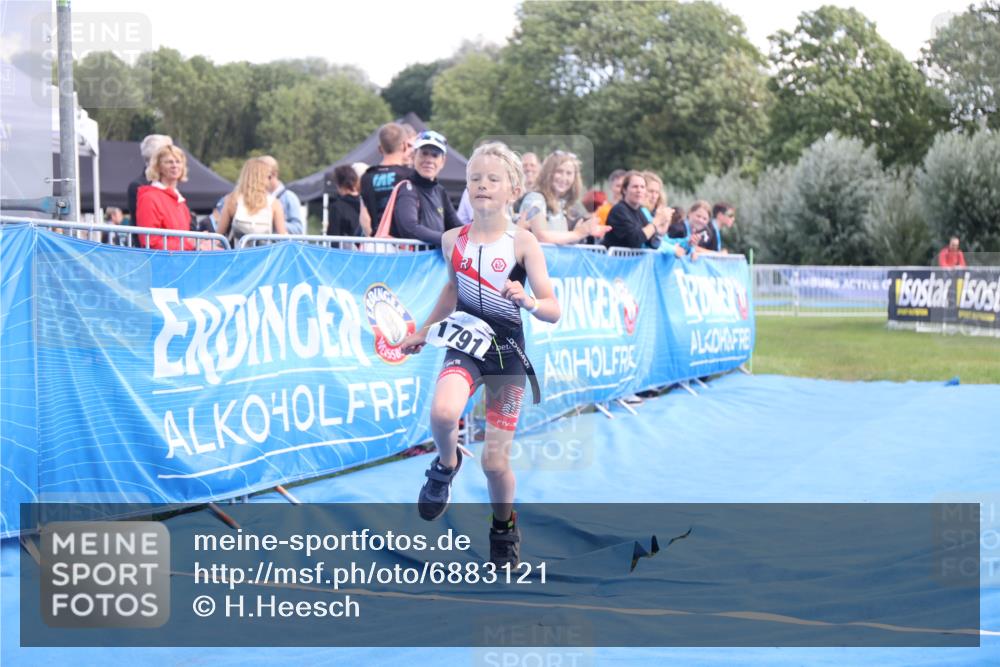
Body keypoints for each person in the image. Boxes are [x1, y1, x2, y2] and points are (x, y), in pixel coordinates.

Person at [399, 141, 560, 567]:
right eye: (474, 179)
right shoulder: (453, 239)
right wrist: (423, 331)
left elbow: (553, 309)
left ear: (513, 189)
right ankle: (446, 465)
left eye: (492, 179)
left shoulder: (524, 243)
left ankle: (504, 527)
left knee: (493, 462)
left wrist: (528, 301)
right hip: (465, 344)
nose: (482, 185)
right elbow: (452, 290)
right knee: (443, 414)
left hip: (507, 356)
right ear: (466, 188)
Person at [389, 130, 462, 245]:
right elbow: (409, 228)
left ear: (442, 161)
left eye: (435, 155)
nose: (429, 160)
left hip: (435, 261)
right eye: (424, 153)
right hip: (412, 261)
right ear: (413, 156)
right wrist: (445, 239)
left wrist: (475, 236)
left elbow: (456, 226)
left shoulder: (440, 191)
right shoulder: (407, 188)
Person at [520, 151, 610, 244]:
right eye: (559, 171)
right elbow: (541, 236)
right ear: (548, 173)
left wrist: (585, 232)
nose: (564, 178)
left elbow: (559, 242)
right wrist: (578, 233)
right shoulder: (535, 198)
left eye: (569, 173)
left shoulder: (561, 205)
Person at [135, 145, 195, 250]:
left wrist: (200, 241)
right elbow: (150, 242)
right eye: (169, 162)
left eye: (178, 161)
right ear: (158, 167)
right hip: (162, 264)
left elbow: (184, 239)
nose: (174, 165)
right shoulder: (149, 198)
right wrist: (192, 244)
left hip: (181, 262)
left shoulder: (181, 202)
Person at [215, 157, 288, 244]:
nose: (270, 180)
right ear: (262, 178)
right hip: (265, 256)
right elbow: (283, 237)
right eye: (268, 176)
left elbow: (219, 235)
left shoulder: (232, 200)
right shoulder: (274, 204)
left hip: (238, 254)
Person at [361, 123, 414, 233]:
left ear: (380, 149)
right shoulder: (410, 176)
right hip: (405, 244)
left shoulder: (367, 177)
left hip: (377, 243)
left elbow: (364, 219)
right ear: (404, 145)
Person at [602, 171, 670, 249]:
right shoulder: (619, 211)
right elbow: (635, 239)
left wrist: (659, 232)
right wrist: (656, 222)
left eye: (642, 187)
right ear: (624, 190)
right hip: (615, 260)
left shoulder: (639, 212)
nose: (639, 190)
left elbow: (651, 243)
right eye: (635, 187)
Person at [128, 134, 172, 227]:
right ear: (156, 157)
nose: (173, 162)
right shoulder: (138, 186)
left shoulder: (170, 183)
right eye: (167, 154)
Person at [259, 155, 304, 235]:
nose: (259, 179)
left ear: (275, 174)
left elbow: (298, 229)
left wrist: (276, 221)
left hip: (279, 246)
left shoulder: (290, 198)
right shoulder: (257, 196)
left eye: (263, 175)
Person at [325, 165, 363, 237]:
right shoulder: (366, 203)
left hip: (346, 247)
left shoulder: (337, 207)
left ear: (338, 184)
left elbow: (333, 237)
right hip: (368, 246)